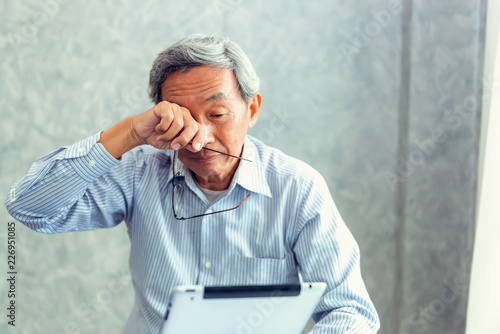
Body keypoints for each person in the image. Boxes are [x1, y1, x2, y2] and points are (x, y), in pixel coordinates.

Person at [5, 34, 380, 333]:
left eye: (217, 114)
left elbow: (350, 312)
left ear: (251, 110)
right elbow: (29, 207)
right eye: (181, 118)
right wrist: (128, 132)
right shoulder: (140, 172)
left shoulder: (297, 189)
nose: (197, 139)